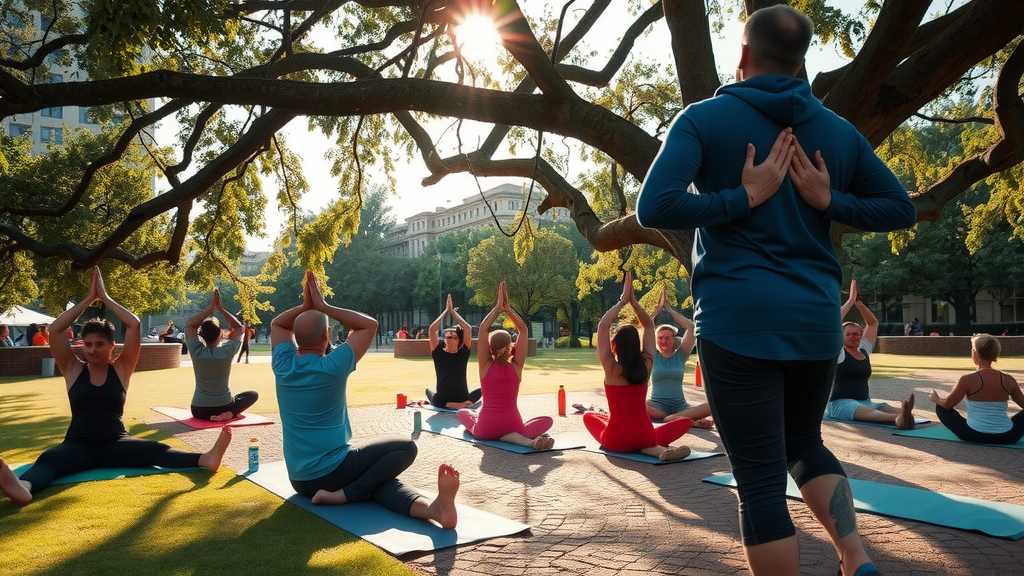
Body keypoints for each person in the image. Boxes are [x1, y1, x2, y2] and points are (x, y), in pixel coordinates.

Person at [634, 5, 916, 575]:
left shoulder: (703, 120)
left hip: (739, 323)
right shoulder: (837, 132)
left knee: (760, 479)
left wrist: (742, 198)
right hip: (815, 326)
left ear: (742, 55)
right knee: (803, 444)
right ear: (802, 62)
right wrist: (830, 200)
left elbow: (653, 206)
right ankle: (855, 557)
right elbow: (899, 207)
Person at [0, 268, 231, 507]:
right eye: (87, 344)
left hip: (116, 443)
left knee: (155, 450)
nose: (92, 349)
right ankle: (23, 489)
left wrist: (106, 298)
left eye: (99, 344)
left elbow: (134, 325)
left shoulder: (122, 368)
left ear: (112, 346)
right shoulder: (73, 368)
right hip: (78, 444)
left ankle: (207, 459)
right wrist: (89, 299)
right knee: (49, 459)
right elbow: (56, 330)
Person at [271, 271, 460, 527]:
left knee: (379, 481)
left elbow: (278, 325)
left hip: (301, 481)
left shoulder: (283, 366)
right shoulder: (332, 366)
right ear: (327, 337)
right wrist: (324, 306)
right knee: (405, 448)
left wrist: (306, 306)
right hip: (334, 470)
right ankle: (344, 495)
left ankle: (432, 510)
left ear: (296, 338)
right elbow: (368, 325)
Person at [584, 272, 694, 462]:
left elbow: (603, 326)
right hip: (644, 434)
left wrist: (621, 301)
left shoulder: (610, 367)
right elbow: (650, 327)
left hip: (616, 439)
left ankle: (657, 449)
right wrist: (634, 303)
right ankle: (657, 450)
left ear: (614, 345)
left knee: (588, 416)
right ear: (637, 345)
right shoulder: (647, 364)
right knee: (673, 426)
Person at [457, 281, 555, 450]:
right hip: (513, 424)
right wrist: (508, 309)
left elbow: (482, 329)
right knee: (547, 421)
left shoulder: (485, 366)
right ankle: (524, 439)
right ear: (511, 347)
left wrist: (497, 307)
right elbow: (523, 330)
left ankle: (523, 440)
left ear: (490, 349)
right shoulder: (516, 367)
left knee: (462, 413)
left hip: (485, 428)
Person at [826, 279, 914, 428]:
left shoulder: (864, 350)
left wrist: (859, 303)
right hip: (841, 404)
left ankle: (904, 414)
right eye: (849, 334)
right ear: (840, 336)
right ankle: (898, 418)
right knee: (861, 408)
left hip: (866, 403)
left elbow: (872, 323)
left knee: (883, 407)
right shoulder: (838, 352)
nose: (855, 337)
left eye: (857, 334)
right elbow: (832, 321)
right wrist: (850, 300)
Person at [930, 334, 1024, 445]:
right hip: (1008, 436)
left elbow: (947, 405)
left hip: (972, 435)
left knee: (941, 408)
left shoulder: (967, 379)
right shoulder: (1009, 379)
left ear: (975, 353)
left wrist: (935, 398)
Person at [185, 290, 259, 422]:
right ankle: (230, 413)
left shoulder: (197, 352)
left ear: (201, 335)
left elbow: (190, 324)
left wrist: (210, 308)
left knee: (241, 396)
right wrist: (220, 308)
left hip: (199, 409)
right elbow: (239, 328)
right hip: (224, 405)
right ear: (220, 334)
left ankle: (224, 414)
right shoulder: (226, 352)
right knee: (252, 395)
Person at [648, 287, 713, 427]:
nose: (663, 341)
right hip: (655, 407)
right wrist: (658, 310)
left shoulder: (681, 355)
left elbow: (691, 327)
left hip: (681, 407)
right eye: (660, 338)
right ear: (655, 339)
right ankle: (686, 421)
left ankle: (674, 418)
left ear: (674, 339)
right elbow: (646, 326)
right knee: (631, 403)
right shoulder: (652, 354)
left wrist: (670, 311)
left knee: (712, 404)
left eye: (667, 338)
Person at [426, 294, 480, 409]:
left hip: (461, 396)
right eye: (448, 336)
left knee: (483, 389)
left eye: (454, 337)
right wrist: (446, 311)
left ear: (458, 341)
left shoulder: (463, 354)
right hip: (444, 397)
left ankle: (454, 404)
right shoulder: (438, 354)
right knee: (428, 392)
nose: (450, 338)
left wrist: (453, 312)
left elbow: (467, 329)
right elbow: (431, 330)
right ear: (444, 340)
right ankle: (458, 405)